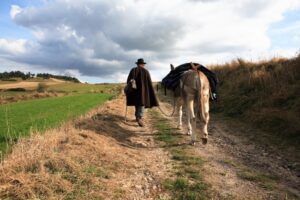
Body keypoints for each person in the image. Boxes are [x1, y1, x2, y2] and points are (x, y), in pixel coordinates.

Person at [126, 58, 159, 127]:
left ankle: (137, 117)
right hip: (143, 92)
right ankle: (139, 118)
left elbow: (129, 80)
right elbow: (149, 83)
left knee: (137, 104)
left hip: (135, 91)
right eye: (143, 64)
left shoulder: (133, 70)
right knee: (141, 104)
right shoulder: (146, 71)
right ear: (142, 64)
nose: (143, 65)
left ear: (137, 64)